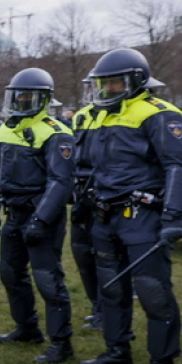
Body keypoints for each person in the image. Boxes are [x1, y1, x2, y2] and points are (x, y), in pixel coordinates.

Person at [78, 48, 182, 364]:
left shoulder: (159, 113)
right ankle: (117, 351)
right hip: (104, 215)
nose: (108, 89)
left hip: (142, 215)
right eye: (103, 83)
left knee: (153, 290)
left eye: (116, 83)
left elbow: (178, 166)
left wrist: (173, 216)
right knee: (111, 287)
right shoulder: (99, 116)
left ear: (137, 81)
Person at [0, 68, 76, 364]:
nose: (22, 101)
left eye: (29, 97)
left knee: (48, 279)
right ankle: (27, 327)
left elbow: (61, 181)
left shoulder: (57, 132)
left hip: (42, 215)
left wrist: (41, 220)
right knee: (10, 273)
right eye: (18, 96)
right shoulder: (7, 129)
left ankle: (61, 343)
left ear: (44, 99)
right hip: (13, 213)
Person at [69, 79, 108, 331]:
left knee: (105, 256)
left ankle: (108, 310)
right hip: (81, 193)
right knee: (82, 254)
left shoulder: (115, 116)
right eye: (91, 86)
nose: (93, 91)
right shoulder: (81, 117)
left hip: (104, 193)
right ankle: (96, 306)